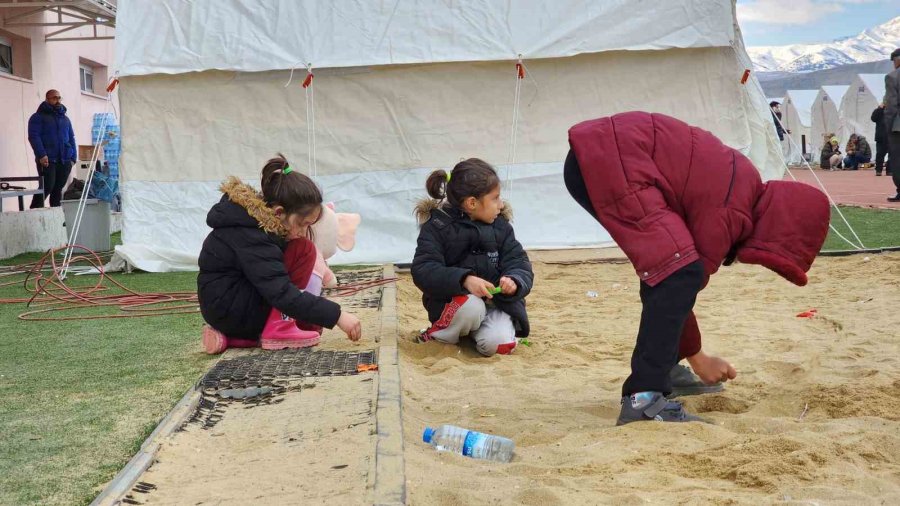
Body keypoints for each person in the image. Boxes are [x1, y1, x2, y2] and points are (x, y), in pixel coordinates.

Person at [564, 112, 830, 425]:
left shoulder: (743, 184)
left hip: (600, 155)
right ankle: (644, 399)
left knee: (669, 269)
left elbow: (667, 279)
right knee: (677, 272)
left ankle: (665, 369)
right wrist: (699, 357)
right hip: (611, 160)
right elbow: (679, 281)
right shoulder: (732, 211)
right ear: (777, 229)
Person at [197, 154, 362, 354]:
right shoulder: (251, 235)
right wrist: (337, 316)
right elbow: (281, 292)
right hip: (231, 310)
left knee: (302, 249)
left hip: (226, 307)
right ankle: (278, 329)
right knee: (303, 250)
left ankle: (235, 338)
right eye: (302, 224)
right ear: (278, 213)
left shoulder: (254, 225)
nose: (303, 232)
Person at [411, 158, 534, 357]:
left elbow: (518, 261)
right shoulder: (437, 227)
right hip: (455, 305)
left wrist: (514, 280)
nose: (501, 204)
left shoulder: (501, 226)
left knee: (499, 345)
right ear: (472, 203)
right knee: (472, 307)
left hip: (496, 304)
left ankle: (472, 335)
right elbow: (423, 270)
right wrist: (464, 280)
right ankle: (440, 334)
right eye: (495, 198)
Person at [27, 89, 76, 208]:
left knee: (58, 189)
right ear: (47, 99)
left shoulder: (65, 119)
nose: (57, 100)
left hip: (64, 160)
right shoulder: (38, 117)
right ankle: (34, 211)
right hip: (47, 160)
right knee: (47, 186)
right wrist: (41, 155)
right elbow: (34, 136)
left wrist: (73, 158)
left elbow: (71, 138)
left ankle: (56, 214)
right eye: (54, 98)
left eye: (59, 98)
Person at [884, 48, 900, 202]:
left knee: (897, 158)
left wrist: (888, 126)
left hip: (898, 126)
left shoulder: (893, 77)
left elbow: (891, 104)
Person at [871, 102, 889, 176]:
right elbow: (873, 118)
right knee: (880, 154)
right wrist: (880, 108)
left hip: (892, 136)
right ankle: (878, 170)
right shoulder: (879, 111)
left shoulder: (895, 109)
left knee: (892, 154)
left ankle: (890, 170)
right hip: (881, 137)